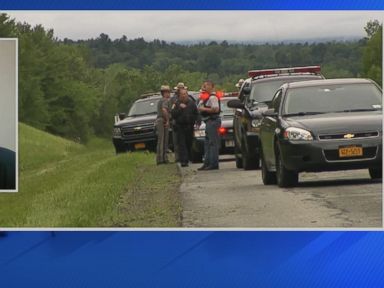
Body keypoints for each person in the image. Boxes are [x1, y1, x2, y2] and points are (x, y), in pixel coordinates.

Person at [171, 88, 199, 167]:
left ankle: (189, 157)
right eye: (182, 94)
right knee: (182, 144)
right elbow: (173, 114)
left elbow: (196, 113)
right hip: (180, 126)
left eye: (185, 94)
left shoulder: (191, 103)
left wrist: (198, 121)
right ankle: (184, 161)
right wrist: (180, 108)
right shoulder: (176, 103)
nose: (184, 96)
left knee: (188, 143)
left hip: (189, 126)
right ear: (179, 95)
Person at [197, 80, 221, 171]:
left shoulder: (213, 97)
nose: (204, 87)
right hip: (208, 121)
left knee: (212, 143)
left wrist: (204, 109)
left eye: (206, 85)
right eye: (204, 85)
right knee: (207, 143)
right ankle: (207, 163)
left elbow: (215, 109)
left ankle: (213, 163)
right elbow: (199, 107)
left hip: (213, 120)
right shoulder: (206, 97)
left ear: (212, 87)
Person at [169, 82, 189, 162]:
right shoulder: (174, 99)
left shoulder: (188, 98)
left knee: (185, 140)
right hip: (176, 121)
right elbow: (172, 110)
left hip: (185, 121)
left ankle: (186, 156)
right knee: (176, 140)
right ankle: (178, 157)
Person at [155, 85, 171, 165]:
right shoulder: (165, 100)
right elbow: (164, 110)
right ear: (164, 93)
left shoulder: (160, 100)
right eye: (168, 92)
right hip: (162, 120)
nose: (169, 93)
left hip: (160, 120)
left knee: (163, 140)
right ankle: (161, 159)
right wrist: (167, 120)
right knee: (162, 140)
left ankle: (163, 158)